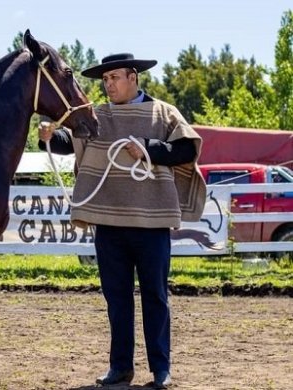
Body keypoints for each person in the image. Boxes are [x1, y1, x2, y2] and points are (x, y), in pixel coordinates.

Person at [39, 53, 206, 389]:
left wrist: (147, 147)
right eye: (105, 80)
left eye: (114, 78)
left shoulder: (163, 113)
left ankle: (161, 369)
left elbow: (187, 150)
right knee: (116, 298)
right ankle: (120, 368)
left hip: (151, 223)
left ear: (133, 77)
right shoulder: (98, 115)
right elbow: (70, 145)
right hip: (109, 222)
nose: (108, 85)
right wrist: (47, 136)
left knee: (155, 296)